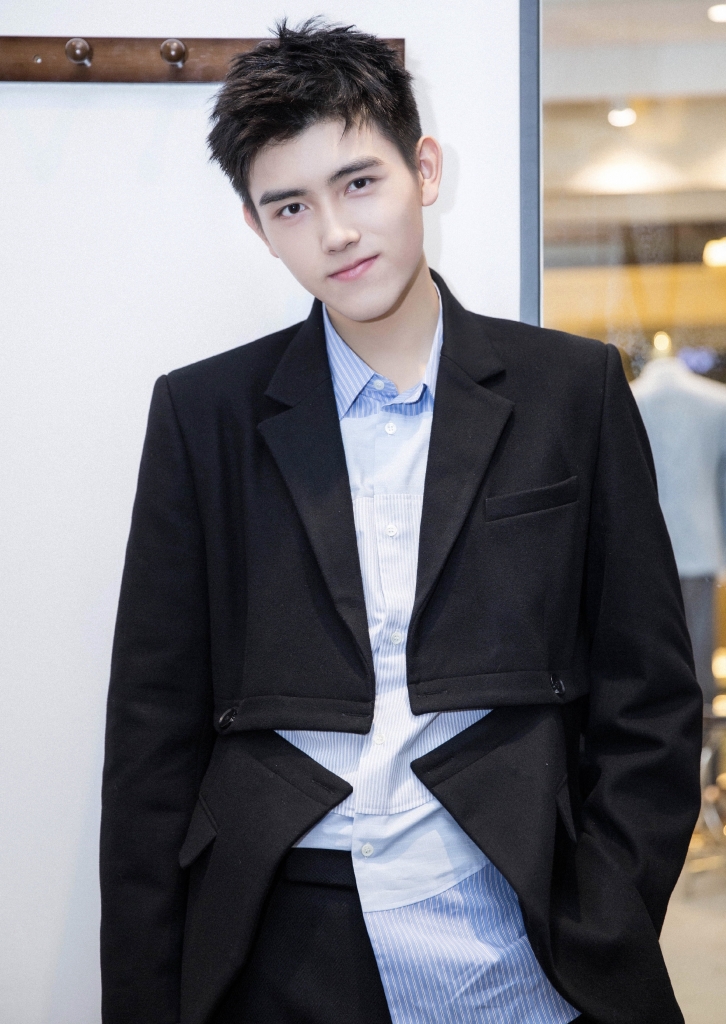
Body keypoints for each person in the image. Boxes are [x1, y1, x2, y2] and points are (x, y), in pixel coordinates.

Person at [100, 20, 703, 1024]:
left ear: (423, 169)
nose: (334, 231)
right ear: (257, 226)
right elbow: (150, 740)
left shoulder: (572, 390)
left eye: (359, 183)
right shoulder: (203, 415)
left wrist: (609, 908)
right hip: (283, 930)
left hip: (516, 921)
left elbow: (650, 694)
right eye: (291, 206)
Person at [632, 349, 726, 708]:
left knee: (648, 649)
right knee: (698, 655)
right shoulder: (717, 402)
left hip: (643, 547)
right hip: (701, 543)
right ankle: (702, 727)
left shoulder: (630, 398)